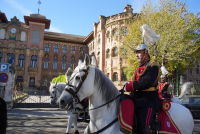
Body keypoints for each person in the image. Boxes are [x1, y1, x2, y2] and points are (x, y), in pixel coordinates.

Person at [120, 44, 160, 134]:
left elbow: (147, 83)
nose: (136, 55)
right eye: (136, 53)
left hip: (147, 101)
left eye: (139, 52)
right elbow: (135, 82)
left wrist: (130, 86)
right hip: (135, 100)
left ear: (146, 53)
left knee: (143, 127)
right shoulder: (138, 68)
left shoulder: (153, 67)